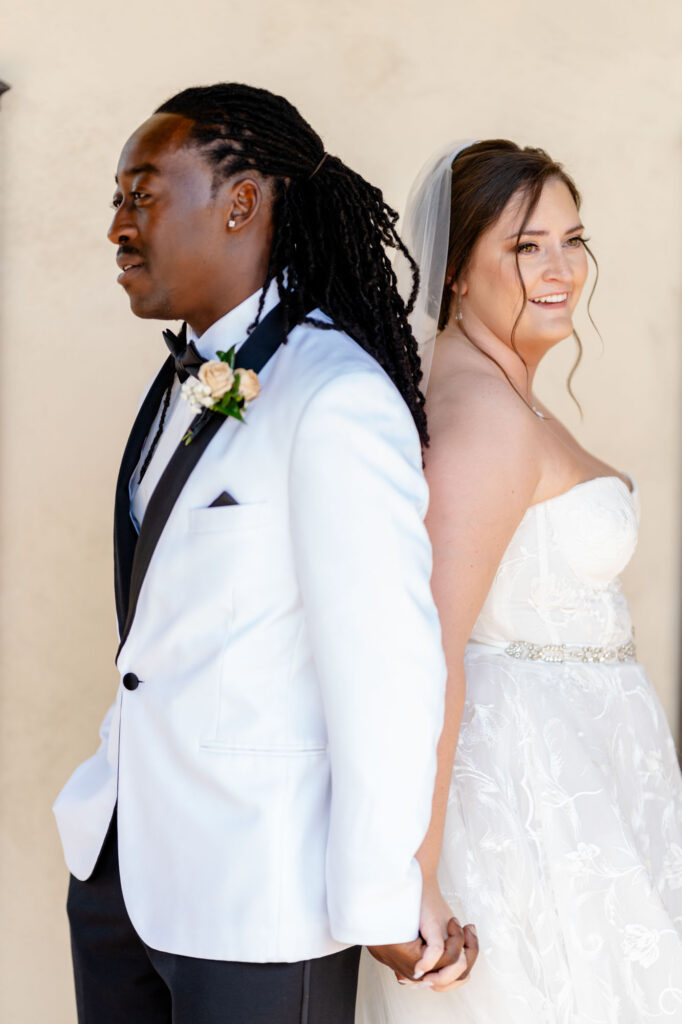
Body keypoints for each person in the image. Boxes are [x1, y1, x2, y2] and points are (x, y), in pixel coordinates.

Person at [52, 85, 478, 1024]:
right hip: (120, 878)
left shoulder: (334, 397)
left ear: (241, 201)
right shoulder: (181, 382)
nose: (119, 225)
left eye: (142, 193)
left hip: (258, 898)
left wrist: (379, 894)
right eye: (117, 200)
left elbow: (385, 670)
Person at [356, 140, 682, 1023]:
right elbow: (432, 649)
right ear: (457, 270)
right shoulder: (482, 415)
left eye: (572, 241)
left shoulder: (507, 393)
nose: (561, 268)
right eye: (525, 245)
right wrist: (413, 878)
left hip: (586, 782)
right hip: (525, 806)